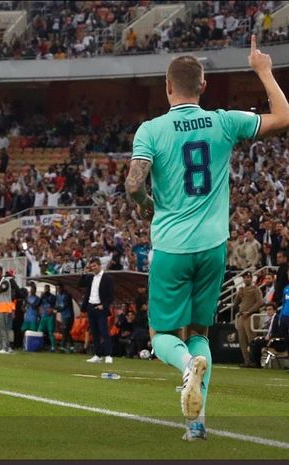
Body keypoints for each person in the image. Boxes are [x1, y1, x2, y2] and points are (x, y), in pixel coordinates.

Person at [124, 36, 289, 440]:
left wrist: (146, 203)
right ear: (203, 87)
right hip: (214, 246)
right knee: (200, 334)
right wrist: (263, 69)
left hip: (171, 246)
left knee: (162, 334)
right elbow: (283, 117)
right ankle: (196, 424)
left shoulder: (152, 129)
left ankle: (184, 368)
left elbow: (133, 184)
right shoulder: (223, 121)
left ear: (167, 88)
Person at [79, 258, 114, 363]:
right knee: (94, 332)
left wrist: (104, 305)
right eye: (91, 266)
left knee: (104, 331)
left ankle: (108, 355)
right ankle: (97, 355)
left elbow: (111, 295)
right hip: (90, 306)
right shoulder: (90, 277)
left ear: (99, 265)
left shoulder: (107, 278)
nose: (93, 268)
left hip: (101, 308)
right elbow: (80, 284)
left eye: (94, 266)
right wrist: (84, 273)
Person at [233, 271, 264, 367]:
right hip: (242, 316)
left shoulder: (255, 289)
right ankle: (247, 360)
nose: (247, 279)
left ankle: (254, 360)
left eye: (248, 277)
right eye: (245, 277)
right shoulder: (241, 289)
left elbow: (260, 302)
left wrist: (250, 311)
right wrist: (238, 294)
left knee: (251, 339)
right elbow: (235, 303)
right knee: (242, 340)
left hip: (251, 316)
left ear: (251, 279)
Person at [248, 303, 286, 367]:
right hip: (271, 339)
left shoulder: (278, 319)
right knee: (254, 341)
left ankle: (256, 363)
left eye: (270, 309)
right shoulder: (272, 319)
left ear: (275, 310)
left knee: (257, 342)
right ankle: (252, 362)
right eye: (267, 310)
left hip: (277, 341)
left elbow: (281, 332)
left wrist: (270, 337)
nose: (268, 311)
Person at [55, 284, 75, 352]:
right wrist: (54, 309)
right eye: (57, 289)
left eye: (59, 288)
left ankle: (63, 346)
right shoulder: (58, 296)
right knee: (65, 331)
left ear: (62, 288)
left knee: (65, 330)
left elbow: (64, 306)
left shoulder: (67, 295)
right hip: (63, 316)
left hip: (69, 315)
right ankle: (72, 346)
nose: (58, 290)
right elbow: (57, 305)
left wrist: (56, 310)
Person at [37, 285, 56, 352]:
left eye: (47, 288)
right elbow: (38, 304)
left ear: (49, 289)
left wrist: (52, 310)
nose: (46, 290)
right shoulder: (42, 296)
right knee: (39, 330)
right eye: (45, 288)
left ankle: (53, 347)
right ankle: (39, 345)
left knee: (50, 331)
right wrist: (41, 297)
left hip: (50, 316)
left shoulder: (53, 297)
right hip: (43, 316)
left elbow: (54, 305)